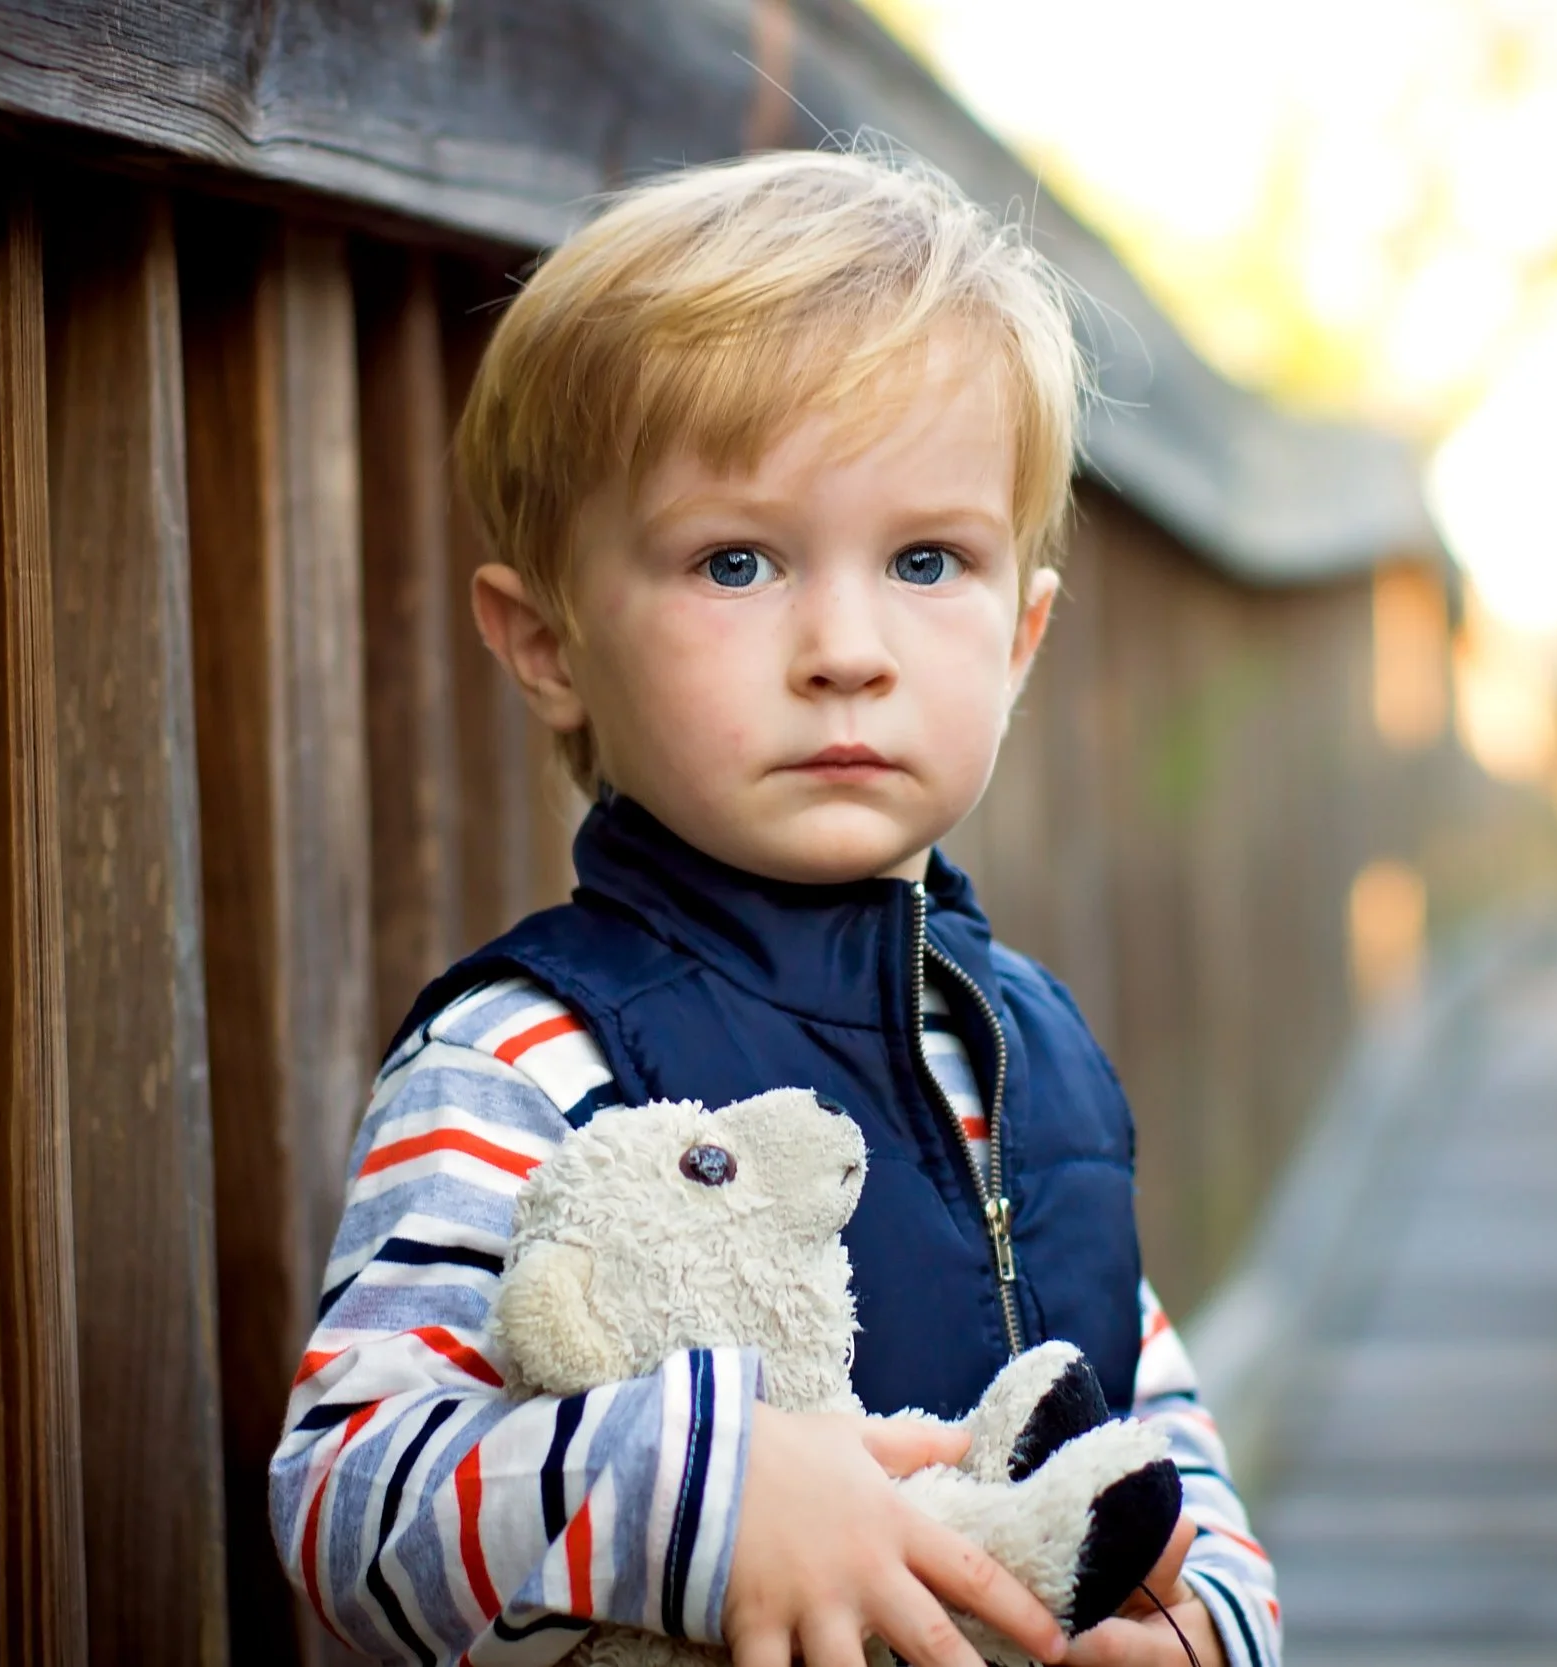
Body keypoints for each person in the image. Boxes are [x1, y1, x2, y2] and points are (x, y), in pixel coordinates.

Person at [271, 146, 1280, 1667]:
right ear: (547, 643)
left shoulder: (1025, 1049)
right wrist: (711, 1495)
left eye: (927, 559)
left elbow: (1156, 1427)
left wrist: (1214, 1626)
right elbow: (352, 1492)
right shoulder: (527, 1057)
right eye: (736, 562)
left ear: (1020, 639)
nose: (846, 649)